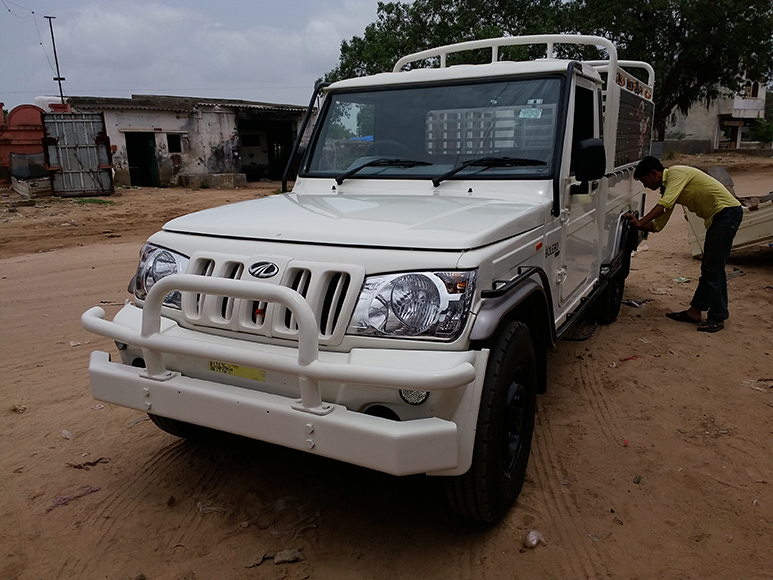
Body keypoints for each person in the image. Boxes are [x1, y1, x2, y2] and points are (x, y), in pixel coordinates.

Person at [625, 156, 743, 333]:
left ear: (654, 173)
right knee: (709, 267)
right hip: (720, 218)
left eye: (644, 181)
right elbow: (658, 225)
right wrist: (638, 225)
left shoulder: (676, 173)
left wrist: (640, 222)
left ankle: (718, 316)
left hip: (727, 214)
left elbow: (664, 205)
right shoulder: (669, 188)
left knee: (713, 268)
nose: (646, 186)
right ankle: (695, 311)